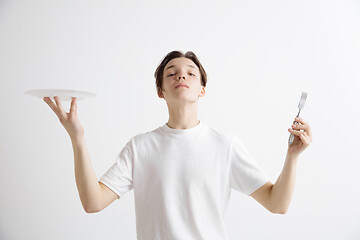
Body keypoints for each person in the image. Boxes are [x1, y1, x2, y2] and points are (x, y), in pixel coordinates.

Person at [44, 50, 313, 240]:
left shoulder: (225, 145)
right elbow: (93, 203)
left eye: (190, 73)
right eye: (171, 73)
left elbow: (277, 204)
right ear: (160, 91)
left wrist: (293, 156)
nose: (180, 77)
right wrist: (77, 138)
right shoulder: (140, 147)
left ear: (202, 89)